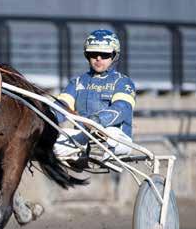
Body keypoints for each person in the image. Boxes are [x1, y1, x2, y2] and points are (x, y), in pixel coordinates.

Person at [53, 29, 136, 160]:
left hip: (116, 138)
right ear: (87, 55)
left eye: (104, 55)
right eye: (94, 54)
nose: (98, 58)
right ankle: (84, 154)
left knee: (108, 134)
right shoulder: (77, 82)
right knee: (49, 141)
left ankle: (92, 151)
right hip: (84, 137)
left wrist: (97, 121)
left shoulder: (123, 82)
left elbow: (122, 108)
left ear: (114, 56)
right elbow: (60, 107)